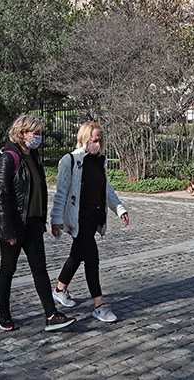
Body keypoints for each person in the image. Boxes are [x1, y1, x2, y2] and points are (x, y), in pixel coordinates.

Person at [0, 114, 75, 332]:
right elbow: (1, 196)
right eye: (35, 133)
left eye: (40, 133)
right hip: (14, 225)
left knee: (40, 270)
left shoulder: (35, 157)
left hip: (33, 224)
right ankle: (3, 314)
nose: (39, 137)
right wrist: (7, 230)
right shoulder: (8, 158)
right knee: (7, 269)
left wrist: (43, 221)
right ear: (22, 133)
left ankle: (50, 314)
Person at [50, 121, 130, 323]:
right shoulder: (70, 160)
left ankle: (59, 289)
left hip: (94, 217)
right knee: (92, 258)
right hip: (79, 218)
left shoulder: (99, 161)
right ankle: (99, 305)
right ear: (84, 139)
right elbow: (61, 193)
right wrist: (56, 219)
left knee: (77, 255)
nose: (98, 143)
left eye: (100, 140)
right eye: (94, 140)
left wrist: (119, 209)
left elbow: (106, 189)